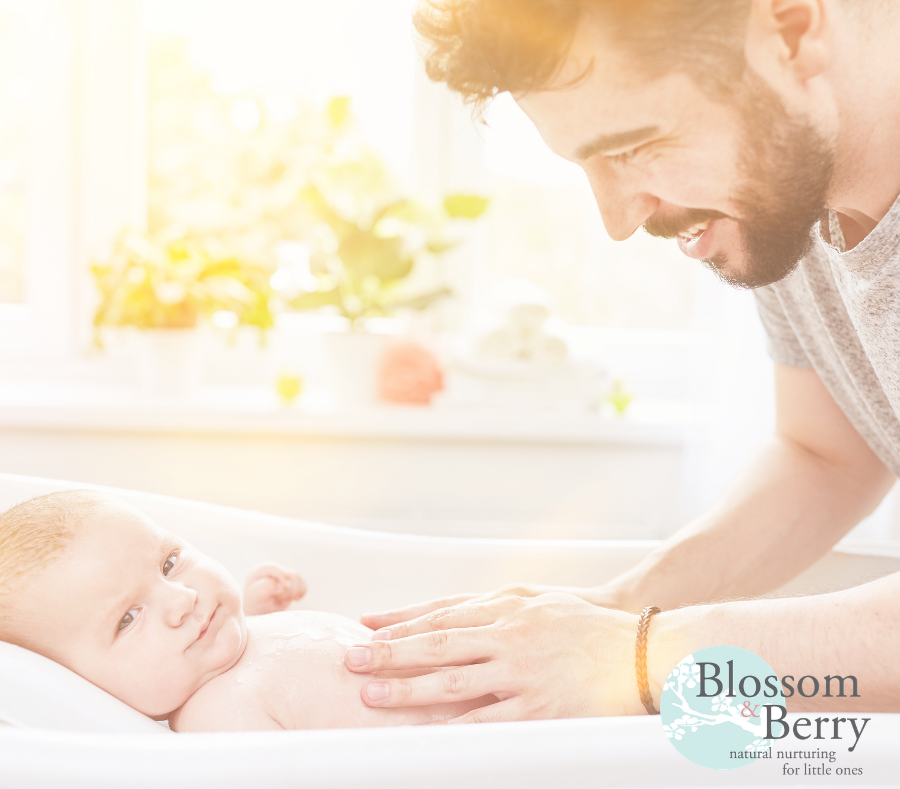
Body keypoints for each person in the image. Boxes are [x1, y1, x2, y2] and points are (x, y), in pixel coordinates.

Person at [339, 0, 900, 722]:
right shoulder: (782, 192)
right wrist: (616, 607)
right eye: (587, 164)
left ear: (792, 29)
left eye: (635, 147)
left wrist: (639, 653)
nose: (618, 220)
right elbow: (827, 454)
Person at [0, 490, 489, 730]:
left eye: (169, 563)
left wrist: (257, 612)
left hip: (502, 691)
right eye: (128, 618)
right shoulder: (214, 719)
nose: (182, 598)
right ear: (86, 687)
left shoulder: (220, 651)